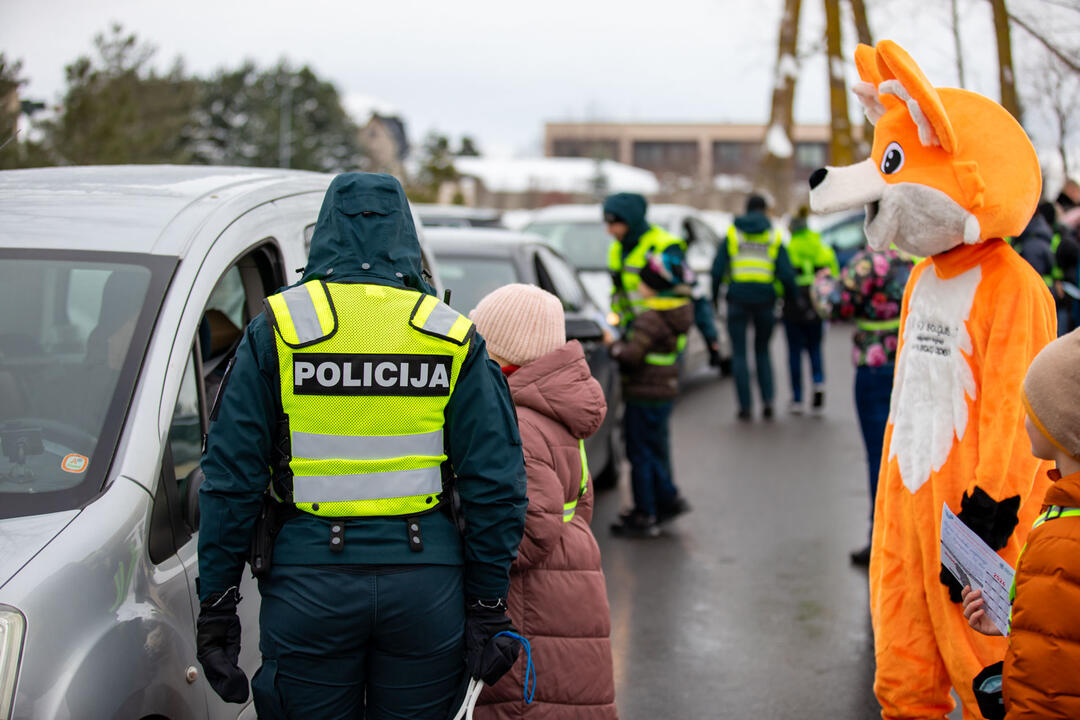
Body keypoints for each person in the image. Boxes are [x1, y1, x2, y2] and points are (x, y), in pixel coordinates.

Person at [195, 172, 528, 719]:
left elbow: (231, 480)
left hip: (309, 584)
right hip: (426, 584)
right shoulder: (448, 333)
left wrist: (217, 606)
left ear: (323, 233)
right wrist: (489, 604)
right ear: (407, 233)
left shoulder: (278, 329)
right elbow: (495, 483)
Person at [469, 284, 618, 720]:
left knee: (528, 705)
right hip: (564, 592)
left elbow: (526, 532)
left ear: (506, 359)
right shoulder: (548, 412)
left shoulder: (519, 424)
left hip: (532, 609)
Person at [961, 327, 1080, 720]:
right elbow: (1063, 635)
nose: (1024, 418)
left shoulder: (1062, 541)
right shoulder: (1066, 506)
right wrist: (1017, 617)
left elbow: (1047, 691)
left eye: (1034, 409)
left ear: (1061, 427)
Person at [812, 247, 915, 565]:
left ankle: (880, 538)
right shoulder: (915, 259)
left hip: (874, 367)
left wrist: (821, 284)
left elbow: (833, 307)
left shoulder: (868, 263)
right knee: (910, 455)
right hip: (911, 363)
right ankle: (910, 537)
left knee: (878, 456)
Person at [607, 251, 694, 538]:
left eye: (643, 280)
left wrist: (613, 345)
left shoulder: (650, 319)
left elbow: (632, 356)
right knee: (654, 448)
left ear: (653, 285)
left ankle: (646, 512)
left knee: (639, 452)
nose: (639, 285)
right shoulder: (677, 312)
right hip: (664, 389)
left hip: (643, 391)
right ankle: (667, 499)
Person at [602, 192, 719, 366]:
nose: (609, 230)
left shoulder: (665, 246)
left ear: (630, 220)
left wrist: (711, 338)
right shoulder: (616, 249)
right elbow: (618, 293)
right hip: (633, 335)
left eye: (614, 223)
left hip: (663, 339)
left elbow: (694, 293)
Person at [711, 193, 797, 420]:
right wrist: (791, 300)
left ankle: (745, 407)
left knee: (739, 353)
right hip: (765, 302)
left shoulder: (733, 233)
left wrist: (714, 298)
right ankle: (768, 401)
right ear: (764, 210)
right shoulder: (772, 235)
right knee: (762, 351)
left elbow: (717, 270)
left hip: (737, 301)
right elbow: (787, 274)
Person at [782, 206, 838, 415]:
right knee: (815, 347)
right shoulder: (820, 246)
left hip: (793, 303)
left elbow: (782, 280)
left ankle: (797, 398)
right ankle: (818, 384)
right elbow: (833, 274)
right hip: (816, 303)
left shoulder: (788, 249)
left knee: (794, 351)